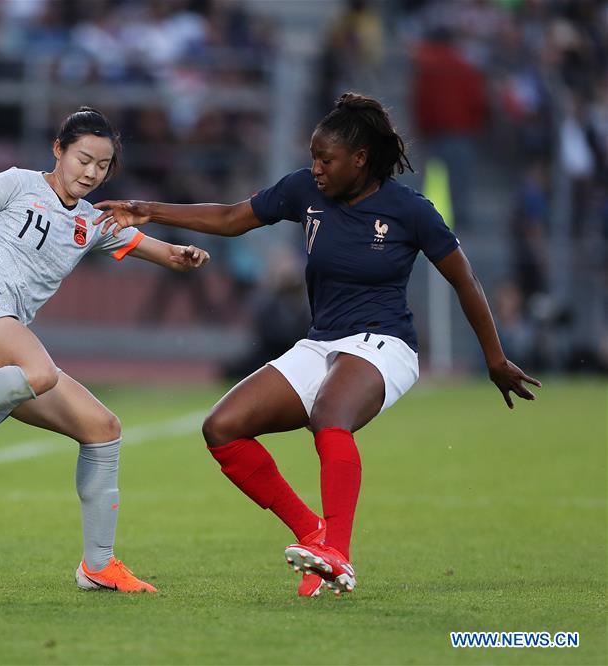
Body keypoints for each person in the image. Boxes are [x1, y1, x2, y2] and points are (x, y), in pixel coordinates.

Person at [94, 93, 540, 598]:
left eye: (326, 160)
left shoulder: (410, 210)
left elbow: (466, 281)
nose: (317, 168)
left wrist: (495, 358)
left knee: (330, 414)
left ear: (360, 159)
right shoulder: (304, 190)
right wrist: (148, 209)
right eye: (313, 158)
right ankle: (314, 532)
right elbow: (232, 217)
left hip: (386, 344)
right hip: (322, 342)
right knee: (222, 428)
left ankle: (338, 555)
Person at [0, 107, 210, 594]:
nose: (91, 173)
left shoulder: (94, 222)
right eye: (83, 159)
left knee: (102, 428)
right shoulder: (15, 184)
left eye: (103, 166)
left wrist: (185, 256)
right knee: (40, 369)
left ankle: (98, 565)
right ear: (58, 150)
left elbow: (163, 253)